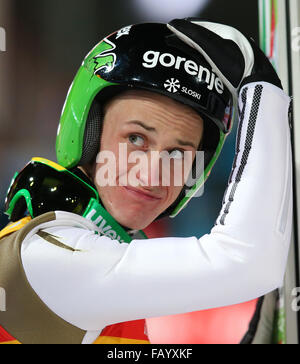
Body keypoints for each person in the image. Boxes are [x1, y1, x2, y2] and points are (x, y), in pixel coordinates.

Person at [0, 19, 293, 344]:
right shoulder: (49, 256)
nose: (152, 174)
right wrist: (263, 88)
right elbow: (247, 262)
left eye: (178, 153)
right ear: (88, 134)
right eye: (136, 138)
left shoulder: (89, 261)